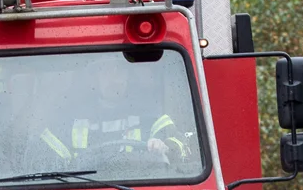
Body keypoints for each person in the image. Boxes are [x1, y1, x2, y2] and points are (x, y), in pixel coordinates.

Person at [34, 58, 190, 166]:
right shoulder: (69, 121)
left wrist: (164, 147)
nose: (114, 78)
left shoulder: (150, 115)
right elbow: (45, 164)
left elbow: (183, 146)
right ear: (94, 79)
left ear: (128, 77)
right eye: (106, 71)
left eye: (120, 71)